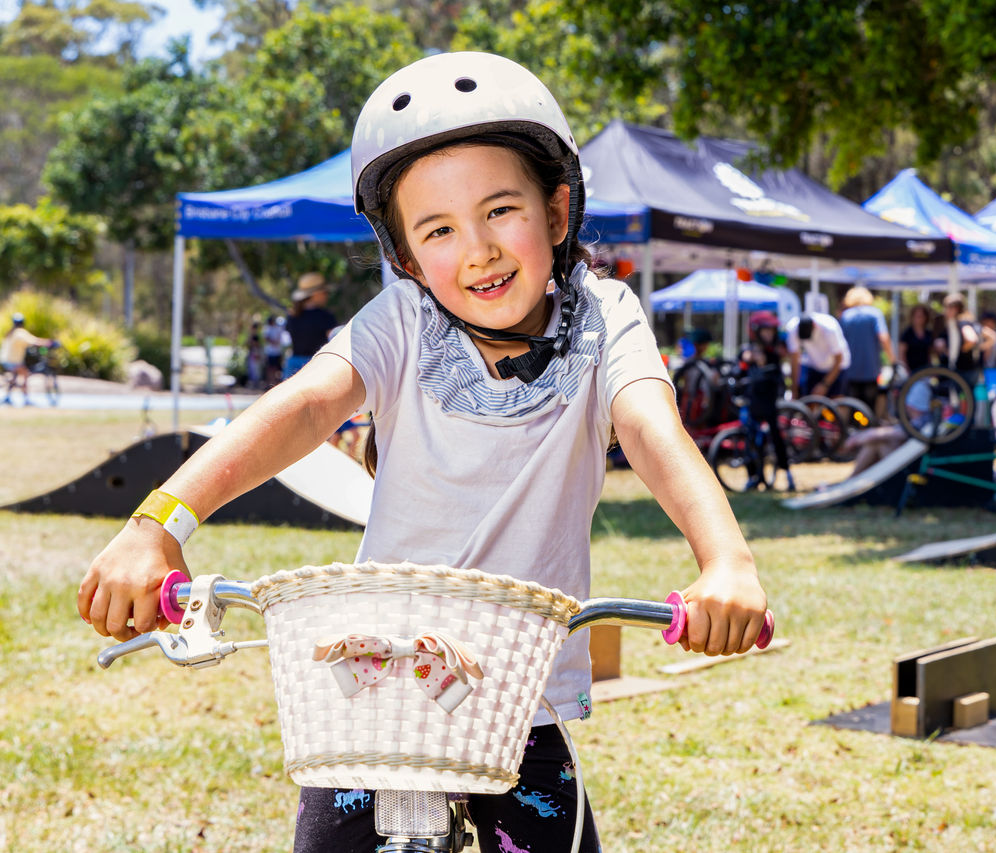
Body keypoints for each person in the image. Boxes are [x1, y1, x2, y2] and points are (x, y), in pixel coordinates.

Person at [77, 51, 767, 853]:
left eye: (500, 209)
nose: (477, 249)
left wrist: (726, 561)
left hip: (521, 697)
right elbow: (302, 406)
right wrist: (159, 523)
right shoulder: (401, 320)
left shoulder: (605, 317)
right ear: (405, 257)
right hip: (374, 681)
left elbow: (653, 428)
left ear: (557, 209)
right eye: (438, 229)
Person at [742, 310, 795, 491]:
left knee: (776, 440)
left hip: (769, 404)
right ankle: (754, 477)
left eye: (771, 331)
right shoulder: (748, 352)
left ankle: (787, 475)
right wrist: (747, 361)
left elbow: (778, 379)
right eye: (765, 331)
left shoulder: (774, 354)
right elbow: (738, 373)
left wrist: (764, 365)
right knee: (750, 442)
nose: (768, 335)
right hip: (753, 405)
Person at [838, 286, 894, 410]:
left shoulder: (846, 316)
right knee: (870, 407)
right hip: (871, 369)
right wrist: (892, 360)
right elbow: (884, 338)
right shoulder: (874, 314)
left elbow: (839, 343)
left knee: (851, 406)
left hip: (850, 370)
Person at [284, 273, 338, 379]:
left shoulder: (292, 317)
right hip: (317, 365)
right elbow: (334, 341)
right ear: (315, 294)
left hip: (293, 366)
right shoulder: (325, 316)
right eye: (325, 292)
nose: (326, 296)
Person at [784, 311, 848, 399]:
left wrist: (825, 384)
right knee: (810, 399)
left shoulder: (829, 327)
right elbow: (794, 359)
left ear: (814, 326)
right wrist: (794, 390)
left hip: (836, 367)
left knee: (836, 401)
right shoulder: (792, 328)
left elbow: (839, 359)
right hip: (814, 365)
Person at [1, 313, 53, 405]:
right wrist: (48, 343)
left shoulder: (11, 332)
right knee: (25, 374)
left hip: (5, 360)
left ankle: (8, 396)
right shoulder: (20, 332)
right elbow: (33, 341)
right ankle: (26, 398)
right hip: (13, 361)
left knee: (15, 377)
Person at [934, 292, 982, 380]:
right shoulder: (966, 320)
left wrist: (962, 351)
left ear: (955, 309)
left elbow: (971, 339)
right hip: (969, 369)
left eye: (947, 307)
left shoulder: (962, 322)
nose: (945, 311)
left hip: (965, 371)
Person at [898, 303, 934, 373]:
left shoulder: (928, 333)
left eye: (921, 316)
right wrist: (906, 370)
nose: (919, 318)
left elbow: (930, 354)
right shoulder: (907, 333)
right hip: (910, 371)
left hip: (925, 371)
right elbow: (901, 354)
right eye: (917, 316)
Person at [262, 315, 288, 387]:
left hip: (277, 351)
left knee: (277, 368)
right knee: (270, 368)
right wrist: (273, 342)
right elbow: (266, 338)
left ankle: (276, 383)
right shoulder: (267, 329)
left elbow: (281, 338)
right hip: (270, 352)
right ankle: (269, 383)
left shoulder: (277, 329)